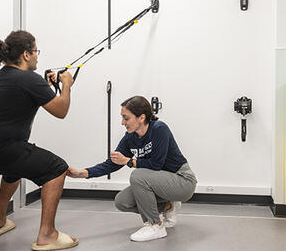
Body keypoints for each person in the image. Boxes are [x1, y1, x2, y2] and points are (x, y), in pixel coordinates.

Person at [0, 30, 78, 251]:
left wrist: (43, 88)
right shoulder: (29, 79)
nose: (37, 57)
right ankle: (47, 235)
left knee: (14, 169)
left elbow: (18, 119)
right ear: (25, 54)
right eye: (35, 52)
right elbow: (61, 110)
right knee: (57, 168)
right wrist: (66, 85)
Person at [68, 96, 197, 242]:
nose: (122, 122)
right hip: (161, 183)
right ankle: (167, 206)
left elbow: (156, 165)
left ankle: (155, 225)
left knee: (138, 176)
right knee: (122, 201)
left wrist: (129, 161)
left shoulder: (159, 129)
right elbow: (112, 163)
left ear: (141, 117)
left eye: (126, 118)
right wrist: (82, 173)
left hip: (183, 181)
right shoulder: (130, 137)